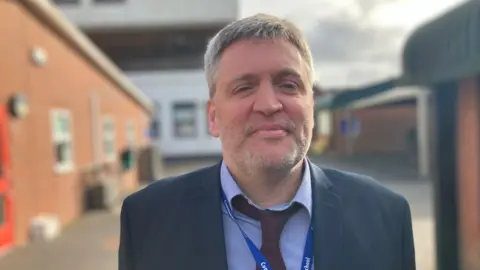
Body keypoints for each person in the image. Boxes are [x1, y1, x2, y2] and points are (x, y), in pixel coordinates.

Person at [118, 14, 416, 270]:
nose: (269, 104)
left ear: (311, 106)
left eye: (288, 85)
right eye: (244, 87)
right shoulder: (147, 219)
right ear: (212, 117)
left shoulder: (385, 216)